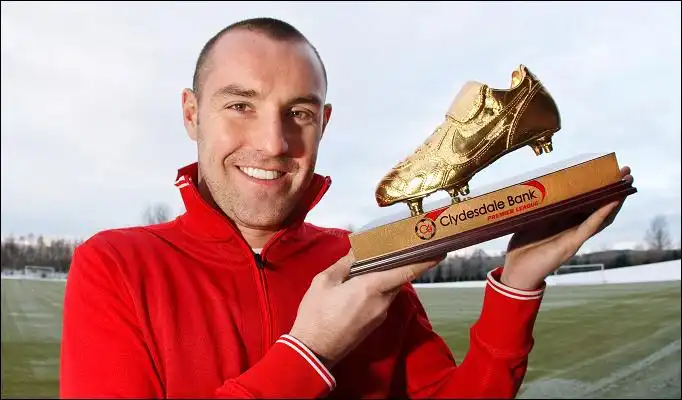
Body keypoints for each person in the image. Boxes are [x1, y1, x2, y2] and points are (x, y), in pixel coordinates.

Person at [59, 17, 634, 399]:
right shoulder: (115, 265)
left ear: (324, 123)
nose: (274, 143)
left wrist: (517, 285)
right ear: (191, 114)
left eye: (299, 113)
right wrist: (311, 351)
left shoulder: (361, 258)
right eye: (240, 105)